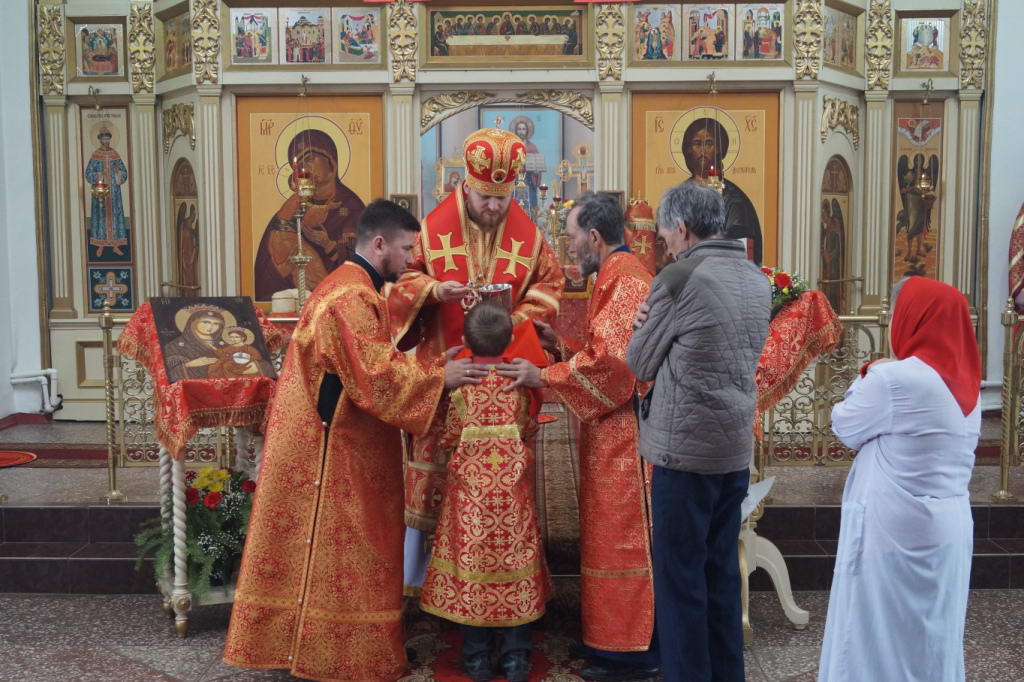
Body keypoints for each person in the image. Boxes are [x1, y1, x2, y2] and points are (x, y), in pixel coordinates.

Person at [223, 200, 488, 681]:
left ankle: (320, 647)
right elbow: (375, 377)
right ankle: (347, 654)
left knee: (340, 549)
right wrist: (440, 376)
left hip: (334, 437)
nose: (411, 260)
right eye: (406, 249)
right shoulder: (351, 297)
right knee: (354, 546)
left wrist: (432, 355)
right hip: (336, 448)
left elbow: (369, 360)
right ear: (379, 243)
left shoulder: (352, 286)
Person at [387, 127, 564, 591]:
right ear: (466, 185)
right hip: (444, 376)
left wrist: (513, 320)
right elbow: (401, 281)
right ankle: (417, 581)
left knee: (500, 483)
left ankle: (499, 575)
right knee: (431, 478)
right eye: (485, 197)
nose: (493, 207)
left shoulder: (530, 236)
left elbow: (549, 285)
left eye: (501, 199)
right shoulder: (430, 232)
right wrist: (433, 289)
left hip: (503, 378)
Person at [498, 192, 657, 681]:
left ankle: (631, 653)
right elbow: (601, 350)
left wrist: (543, 375)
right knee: (607, 535)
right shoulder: (612, 274)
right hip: (610, 431)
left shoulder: (625, 281)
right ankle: (611, 638)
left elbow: (614, 367)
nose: (568, 247)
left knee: (624, 539)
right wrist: (562, 347)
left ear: (593, 236)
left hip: (627, 439)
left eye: (570, 237)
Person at [626, 182, 770, 682]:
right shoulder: (755, 277)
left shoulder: (679, 276)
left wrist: (641, 323)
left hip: (684, 454)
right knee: (721, 574)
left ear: (682, 228)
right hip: (732, 449)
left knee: (681, 583)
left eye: (664, 233)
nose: (663, 242)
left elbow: (639, 362)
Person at [818, 276, 981, 682]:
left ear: (913, 319)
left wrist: (868, 372)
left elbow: (844, 425)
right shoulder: (969, 386)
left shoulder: (896, 379)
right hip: (948, 527)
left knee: (878, 637)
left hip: (893, 534)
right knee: (931, 638)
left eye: (894, 313)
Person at [419, 303, 549, 682]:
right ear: (509, 341)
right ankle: (516, 658)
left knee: (472, 568)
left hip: (469, 503)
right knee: (514, 564)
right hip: (512, 501)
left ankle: (476, 658)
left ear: (465, 340)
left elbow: (447, 436)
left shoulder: (460, 387)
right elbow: (528, 427)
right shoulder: (518, 385)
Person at [253, 129, 365, 300]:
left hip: (338, 302)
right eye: (299, 165)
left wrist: (327, 244)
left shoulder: (351, 207)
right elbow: (267, 269)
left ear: (331, 162)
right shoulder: (293, 207)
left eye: (310, 159)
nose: (304, 168)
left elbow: (360, 262)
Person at [680, 117, 763, 264]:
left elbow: (741, 240)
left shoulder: (734, 197)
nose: (703, 150)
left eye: (709, 143)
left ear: (720, 149)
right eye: (697, 143)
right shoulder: (678, 195)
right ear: (688, 149)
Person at [85, 126, 130, 259]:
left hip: (114, 193)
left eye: (108, 138)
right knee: (101, 216)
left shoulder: (115, 155)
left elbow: (124, 172)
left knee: (114, 215)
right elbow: (88, 173)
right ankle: (100, 245)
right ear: (100, 140)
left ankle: (116, 245)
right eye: (103, 138)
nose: (106, 140)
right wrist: (99, 174)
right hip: (101, 192)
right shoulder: (95, 155)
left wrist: (117, 172)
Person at [163, 305, 228, 381]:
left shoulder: (225, 345)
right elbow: (165, 373)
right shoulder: (174, 346)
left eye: (216, 324)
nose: (211, 327)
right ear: (194, 322)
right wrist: (189, 364)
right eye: (206, 322)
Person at [208, 327, 274, 378]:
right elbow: (221, 353)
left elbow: (257, 356)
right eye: (231, 337)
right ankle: (232, 380)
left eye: (236, 337)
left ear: (242, 338)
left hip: (244, 364)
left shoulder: (248, 348)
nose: (234, 339)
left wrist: (248, 358)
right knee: (225, 365)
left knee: (228, 365)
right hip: (232, 364)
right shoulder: (229, 347)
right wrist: (213, 348)